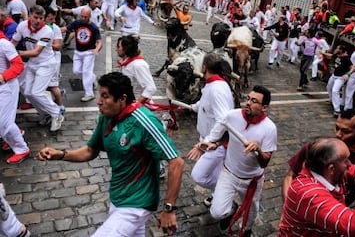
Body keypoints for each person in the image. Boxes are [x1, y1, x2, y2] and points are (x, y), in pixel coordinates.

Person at [37, 72, 184, 236]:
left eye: (105, 96)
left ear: (122, 98)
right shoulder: (107, 117)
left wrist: (169, 209)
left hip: (137, 203)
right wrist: (61, 154)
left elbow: (176, 162)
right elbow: (90, 151)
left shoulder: (144, 121)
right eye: (100, 95)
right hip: (117, 197)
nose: (99, 101)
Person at [199, 85, 277, 237]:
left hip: (252, 180)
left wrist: (258, 150)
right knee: (216, 212)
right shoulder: (232, 116)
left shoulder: (270, 128)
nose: (248, 103)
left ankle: (246, 230)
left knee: (251, 212)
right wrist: (213, 143)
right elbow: (222, 135)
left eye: (254, 101)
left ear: (264, 107)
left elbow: (264, 162)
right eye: (247, 99)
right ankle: (231, 210)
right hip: (228, 173)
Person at [281, 109, 355, 207]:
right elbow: (290, 175)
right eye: (337, 128)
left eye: (346, 131)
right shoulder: (316, 147)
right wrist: (289, 206)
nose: (338, 134)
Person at [187, 53, 235, 207]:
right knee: (217, 172)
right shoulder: (212, 84)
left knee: (199, 175)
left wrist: (208, 141)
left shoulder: (217, 88)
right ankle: (218, 195)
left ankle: (224, 192)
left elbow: (223, 119)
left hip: (215, 143)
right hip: (208, 139)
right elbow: (205, 102)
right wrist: (192, 107)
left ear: (204, 67)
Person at [11, 5, 64, 132]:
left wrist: (15, 53)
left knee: (36, 92)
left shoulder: (47, 31)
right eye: (35, 17)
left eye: (41, 18)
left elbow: (36, 52)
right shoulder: (22, 26)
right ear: (29, 16)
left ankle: (57, 113)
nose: (38, 20)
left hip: (46, 64)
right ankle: (45, 114)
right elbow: (12, 42)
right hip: (32, 64)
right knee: (28, 93)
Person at [0, 27, 31, 164]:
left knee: (3, 122)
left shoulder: (4, 44)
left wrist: (3, 76)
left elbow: (18, 65)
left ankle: (21, 148)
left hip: (6, 87)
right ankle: (12, 135)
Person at [62, 7, 102, 102]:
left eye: (85, 17)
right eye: (82, 16)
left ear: (89, 16)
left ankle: (89, 94)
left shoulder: (94, 27)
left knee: (86, 72)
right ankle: (93, 78)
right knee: (76, 71)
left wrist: (96, 49)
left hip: (89, 52)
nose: (83, 18)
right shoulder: (77, 23)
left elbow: (99, 42)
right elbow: (65, 29)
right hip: (78, 52)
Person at [116, 35, 156, 104]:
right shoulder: (127, 62)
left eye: (118, 47)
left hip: (138, 106)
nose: (116, 49)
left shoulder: (138, 65)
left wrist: (136, 104)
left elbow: (151, 88)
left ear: (125, 49)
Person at [325, 45, 351, 117]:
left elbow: (352, 67)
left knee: (335, 90)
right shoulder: (337, 55)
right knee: (328, 87)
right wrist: (323, 53)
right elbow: (330, 56)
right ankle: (332, 100)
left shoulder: (346, 58)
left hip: (340, 77)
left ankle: (337, 110)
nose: (336, 49)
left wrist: (348, 74)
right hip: (334, 75)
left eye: (337, 48)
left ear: (341, 50)